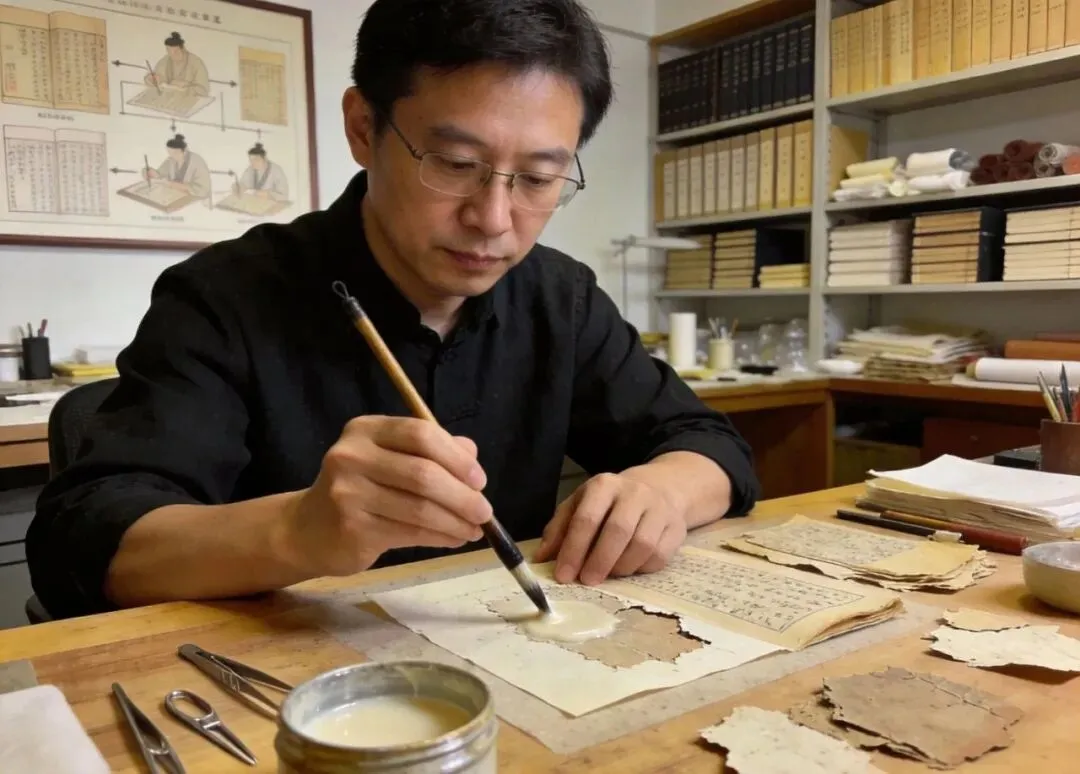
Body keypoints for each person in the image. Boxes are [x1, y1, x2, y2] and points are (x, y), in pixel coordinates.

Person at [27, 0, 760, 621]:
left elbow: (710, 445)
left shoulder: (559, 297)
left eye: (539, 179)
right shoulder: (226, 294)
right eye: (455, 164)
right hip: (284, 681)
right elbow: (85, 543)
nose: (494, 220)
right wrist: (298, 530)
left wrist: (661, 491)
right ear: (363, 128)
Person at [145, 134, 211, 200]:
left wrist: (173, 185)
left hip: (194, 198)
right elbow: (160, 174)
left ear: (185, 151)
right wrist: (151, 172)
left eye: (175, 153)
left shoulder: (197, 161)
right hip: (174, 195)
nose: (172, 156)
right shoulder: (171, 160)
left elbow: (203, 190)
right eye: (169, 153)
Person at [145, 31, 210, 97]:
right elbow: (159, 78)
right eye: (169, 51)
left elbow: (204, 90)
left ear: (183, 49)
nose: (172, 55)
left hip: (188, 99)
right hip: (168, 97)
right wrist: (152, 80)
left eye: (176, 52)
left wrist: (187, 85)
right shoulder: (166, 60)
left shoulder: (196, 63)